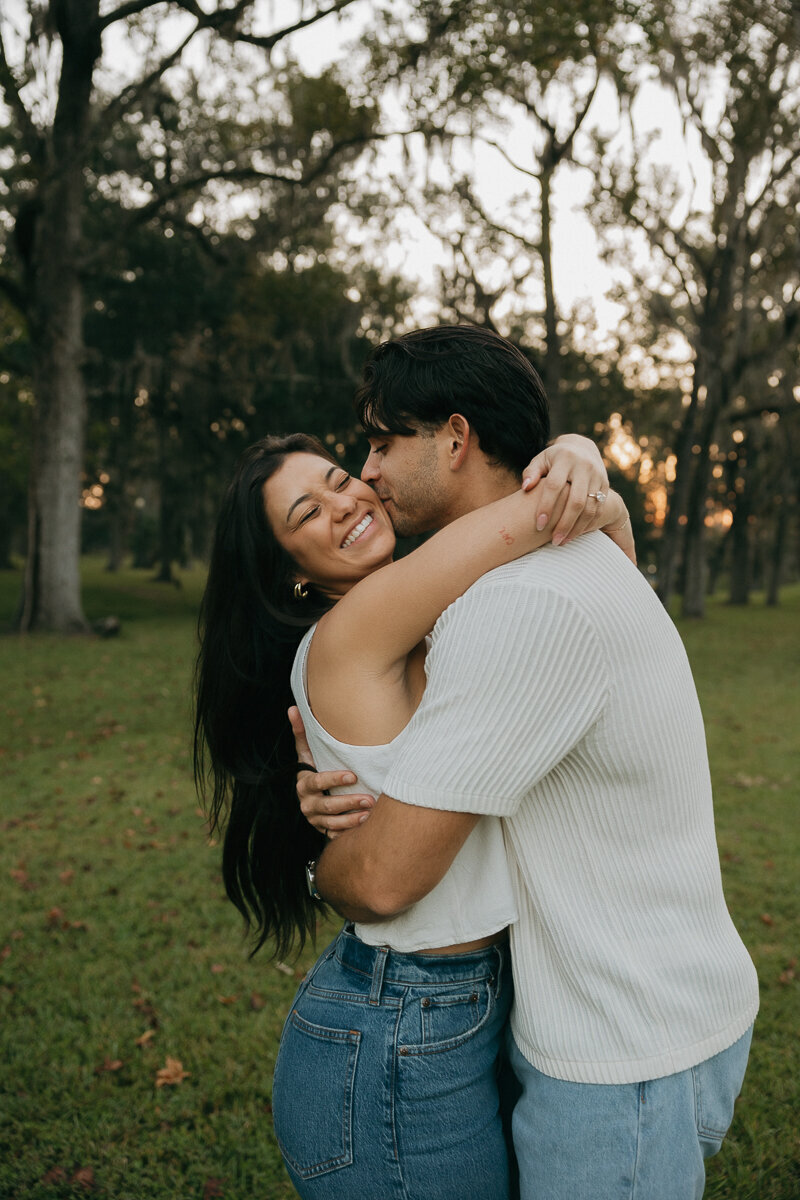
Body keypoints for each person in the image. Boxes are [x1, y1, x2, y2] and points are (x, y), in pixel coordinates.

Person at [295, 325, 760, 1200]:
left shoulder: (522, 606)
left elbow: (388, 879)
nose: (370, 472)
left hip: (621, 1057)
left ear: (458, 439)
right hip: (649, 1012)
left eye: (384, 441)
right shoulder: (559, 562)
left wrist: (316, 865)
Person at [194, 377, 633, 1195]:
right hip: (400, 1023)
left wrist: (586, 474)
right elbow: (540, 516)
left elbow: (600, 596)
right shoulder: (358, 624)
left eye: (337, 478)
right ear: (291, 574)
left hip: (455, 1007)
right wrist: (577, 455)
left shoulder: (430, 615)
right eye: (306, 516)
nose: (345, 500)